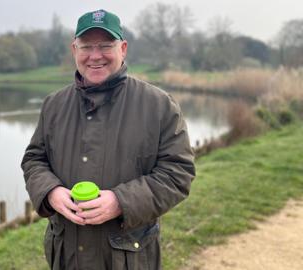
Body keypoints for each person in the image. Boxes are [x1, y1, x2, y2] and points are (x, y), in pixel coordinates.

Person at [21, 9, 195, 270]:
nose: (95, 55)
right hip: (66, 255)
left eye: (105, 45)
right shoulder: (54, 105)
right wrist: (51, 192)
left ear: (123, 48)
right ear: (74, 50)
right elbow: (34, 159)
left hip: (129, 259)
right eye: (86, 46)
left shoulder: (159, 105)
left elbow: (178, 173)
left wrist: (120, 202)